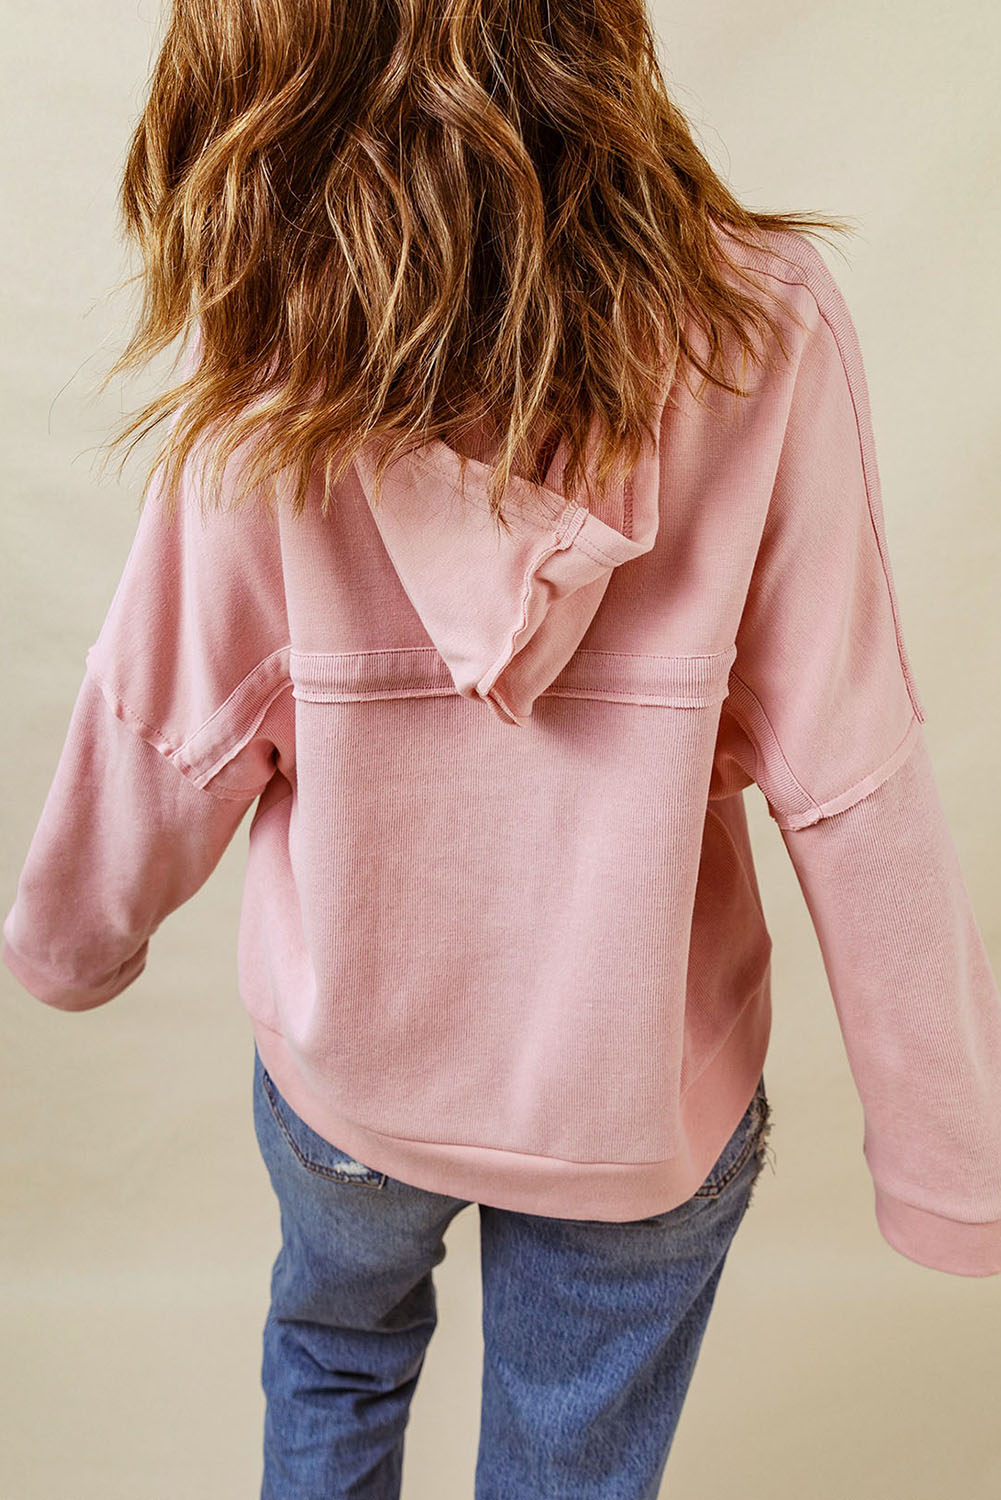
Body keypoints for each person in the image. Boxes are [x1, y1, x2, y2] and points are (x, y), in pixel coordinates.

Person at [4, 1, 1000, 1496]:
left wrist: (67, 943)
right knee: (569, 1461)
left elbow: (163, 719)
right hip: (638, 1093)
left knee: (335, 1356)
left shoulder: (268, 344)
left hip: (354, 1082)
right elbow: (849, 768)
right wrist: (950, 1163)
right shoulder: (760, 319)